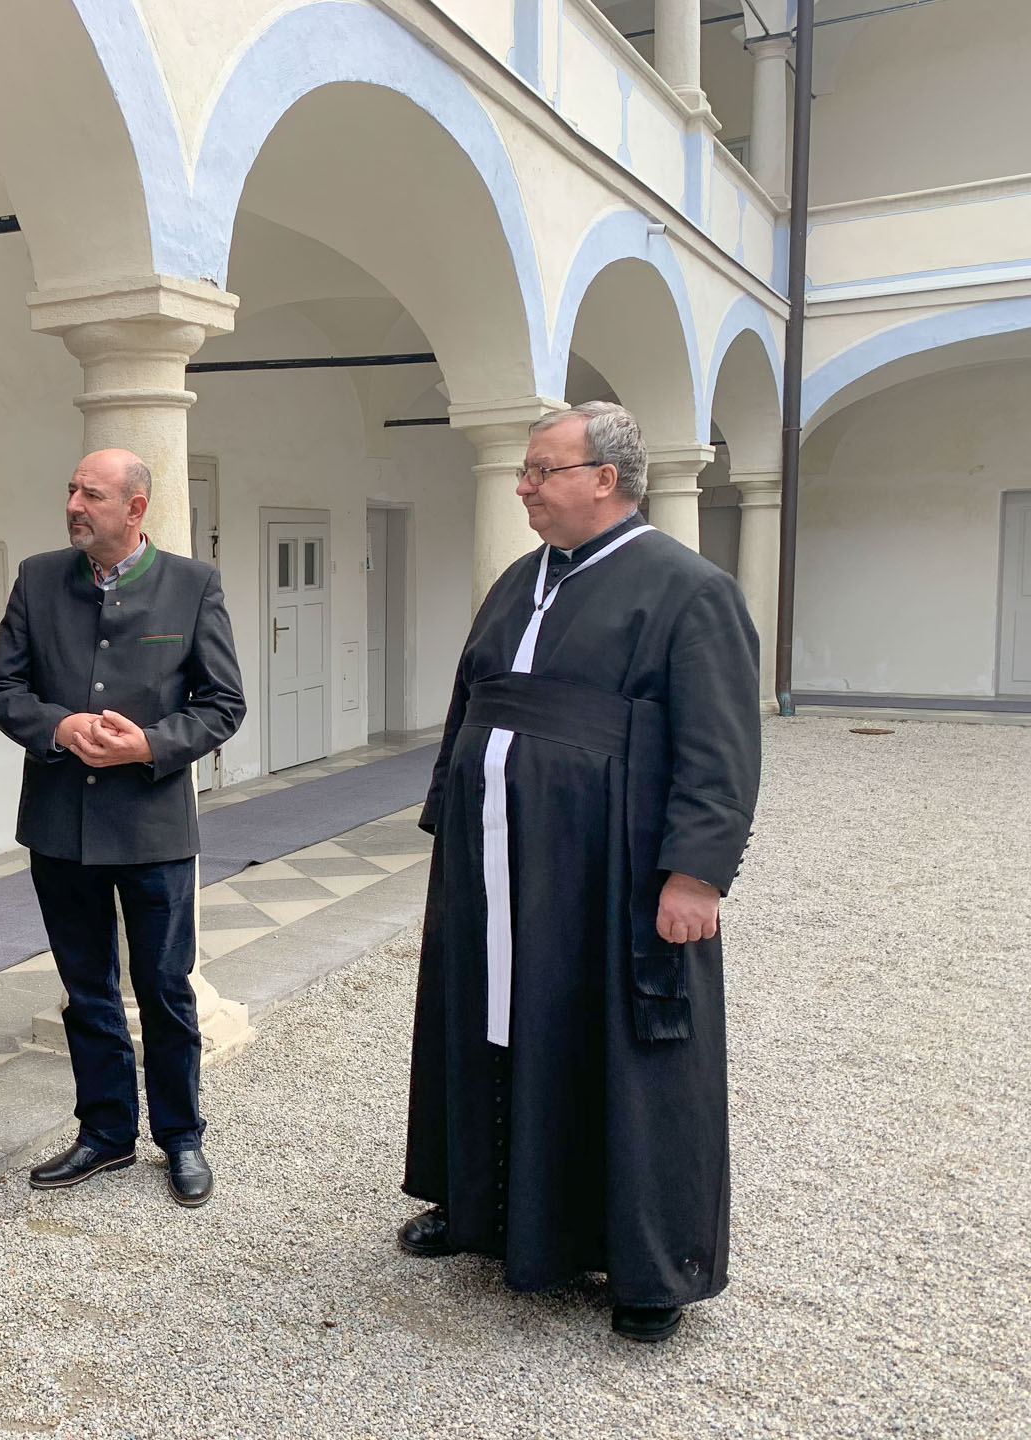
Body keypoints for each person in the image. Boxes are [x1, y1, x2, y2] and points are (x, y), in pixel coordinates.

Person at [398, 401, 762, 1343]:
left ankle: (647, 1266)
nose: (522, 486)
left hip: (609, 869)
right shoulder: (520, 579)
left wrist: (696, 875)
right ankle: (480, 1209)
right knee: (488, 1023)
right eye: (524, 470)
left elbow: (721, 751)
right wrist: (448, 811)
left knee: (624, 1047)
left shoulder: (689, 590)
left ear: (605, 479)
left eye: (540, 470)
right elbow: (472, 701)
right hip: (492, 862)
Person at [0, 448, 245, 1207]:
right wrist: (59, 727)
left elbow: (223, 703)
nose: (74, 504)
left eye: (91, 494)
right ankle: (105, 1133)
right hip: (61, 827)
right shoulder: (38, 579)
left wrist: (148, 745)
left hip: (154, 827)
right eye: (71, 490)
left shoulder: (192, 585)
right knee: (86, 989)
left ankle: (181, 1136)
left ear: (135, 509)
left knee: (164, 988)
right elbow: (1, 687)